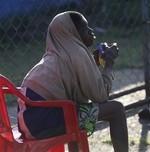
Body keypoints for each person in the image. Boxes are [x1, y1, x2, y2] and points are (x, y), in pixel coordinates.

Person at [17, 11, 128, 152]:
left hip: (28, 120)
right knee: (116, 110)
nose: (91, 31)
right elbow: (100, 96)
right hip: (43, 121)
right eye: (85, 29)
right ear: (73, 34)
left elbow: (73, 75)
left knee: (74, 111)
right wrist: (109, 64)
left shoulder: (56, 53)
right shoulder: (77, 53)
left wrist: (94, 60)